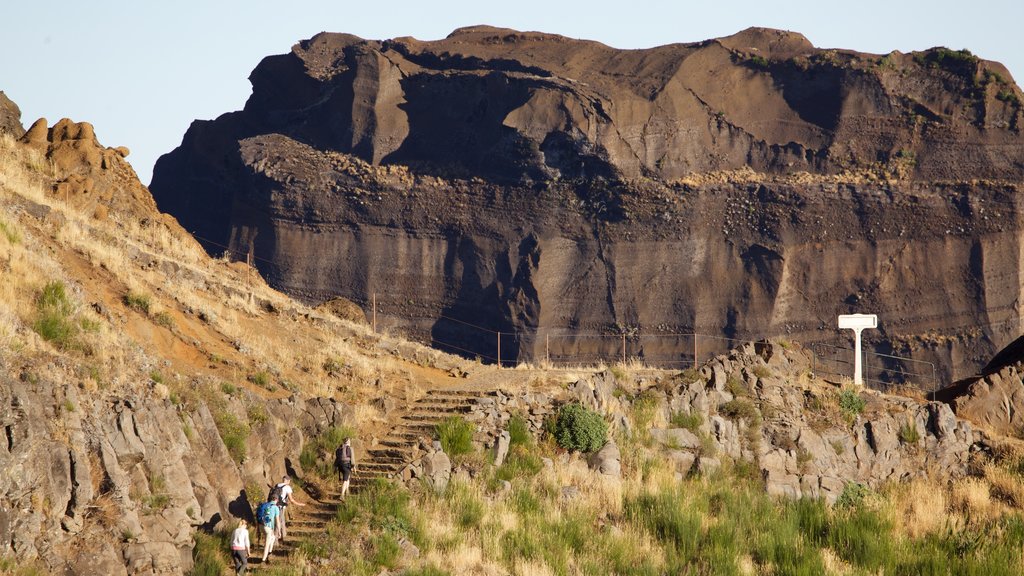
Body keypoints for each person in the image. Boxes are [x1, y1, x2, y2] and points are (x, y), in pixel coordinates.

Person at [273, 475, 305, 542]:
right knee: (279, 522)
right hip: (280, 507)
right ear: (288, 481)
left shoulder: (277, 485)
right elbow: (291, 500)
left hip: (274, 506)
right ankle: (275, 540)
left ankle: (283, 535)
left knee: (280, 520)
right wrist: (300, 504)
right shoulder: (287, 487)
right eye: (289, 480)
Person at [258, 494, 280, 564]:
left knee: (272, 538)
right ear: (276, 499)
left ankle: (270, 553)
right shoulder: (276, 508)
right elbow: (277, 520)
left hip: (261, 525)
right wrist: (279, 531)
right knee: (267, 544)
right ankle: (263, 560)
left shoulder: (265, 505)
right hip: (268, 527)